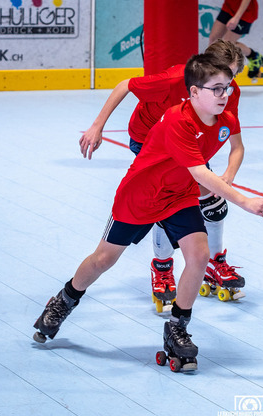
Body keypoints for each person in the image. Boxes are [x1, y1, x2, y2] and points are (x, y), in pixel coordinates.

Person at [33, 53, 263, 372]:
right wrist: (245, 201)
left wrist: (229, 176)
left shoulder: (226, 119)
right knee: (103, 260)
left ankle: (177, 327)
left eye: (228, 87)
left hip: (179, 196)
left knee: (199, 256)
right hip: (142, 195)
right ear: (194, 92)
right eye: (216, 89)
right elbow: (201, 173)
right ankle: (64, 300)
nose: (225, 95)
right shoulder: (178, 120)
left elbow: (232, 150)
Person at [78, 40, 247, 311]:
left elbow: (233, 138)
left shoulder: (228, 91)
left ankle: (212, 262)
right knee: (169, 200)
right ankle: (162, 266)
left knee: (214, 205)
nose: (225, 85)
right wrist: (97, 126)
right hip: (148, 140)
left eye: (231, 77)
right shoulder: (174, 79)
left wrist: (228, 174)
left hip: (189, 142)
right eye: (220, 77)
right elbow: (125, 85)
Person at [208, 0, 263, 81]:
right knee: (213, 39)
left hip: (245, 12)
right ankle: (210, 73)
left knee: (227, 44)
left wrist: (237, 17)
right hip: (229, 6)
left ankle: (253, 56)